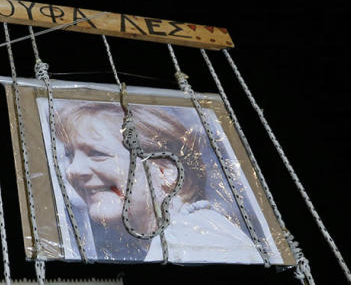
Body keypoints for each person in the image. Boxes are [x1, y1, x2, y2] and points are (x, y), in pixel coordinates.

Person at [51, 100, 263, 264]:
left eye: (97, 153)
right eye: (70, 155)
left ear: (164, 171)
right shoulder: (186, 235)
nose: (73, 170)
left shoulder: (196, 240)